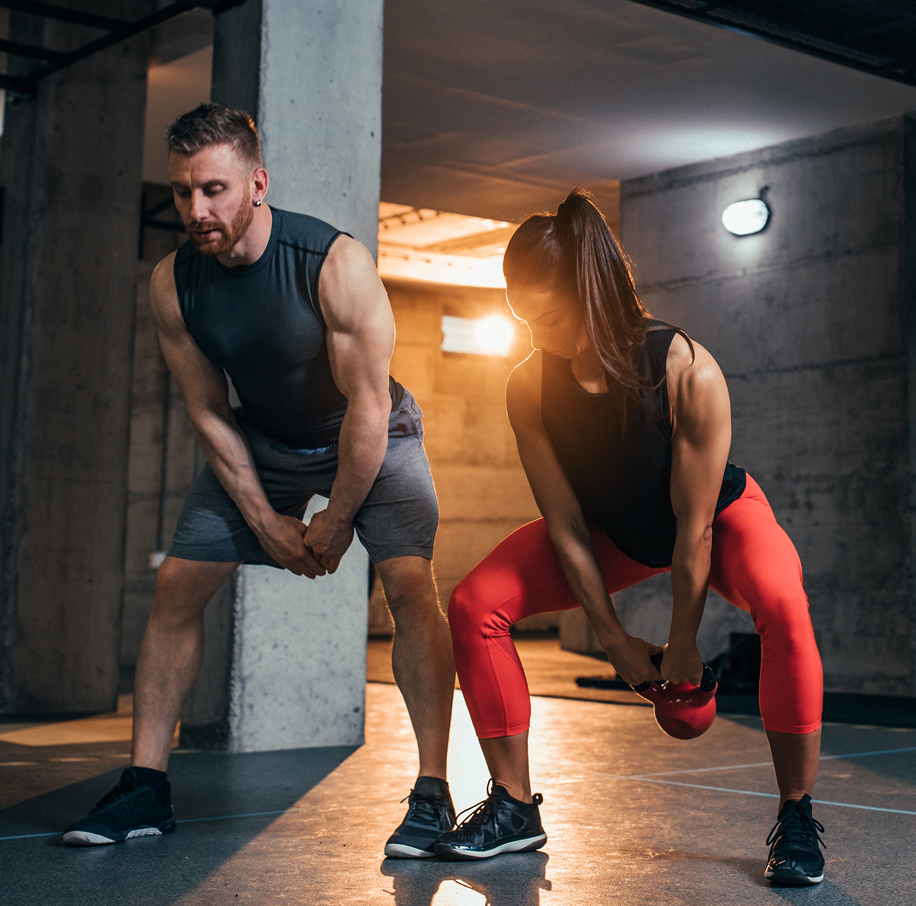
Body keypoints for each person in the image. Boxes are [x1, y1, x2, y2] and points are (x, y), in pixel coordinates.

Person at [63, 103, 457, 859]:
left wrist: (336, 521)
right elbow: (209, 410)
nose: (196, 210)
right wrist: (267, 519)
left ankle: (433, 793)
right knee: (177, 586)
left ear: (258, 183)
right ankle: (145, 787)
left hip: (369, 435)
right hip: (264, 441)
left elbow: (369, 408)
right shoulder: (174, 284)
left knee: (409, 585)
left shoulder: (332, 263)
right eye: (183, 192)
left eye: (213, 189)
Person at [434, 190, 825, 888]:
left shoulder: (686, 369)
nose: (535, 335)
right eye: (523, 319)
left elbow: (694, 527)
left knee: (784, 604)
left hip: (718, 523)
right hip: (613, 532)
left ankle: (797, 816)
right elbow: (564, 526)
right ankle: (515, 805)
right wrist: (611, 638)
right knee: (474, 602)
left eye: (547, 316)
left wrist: (681, 640)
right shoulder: (528, 387)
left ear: (588, 292)